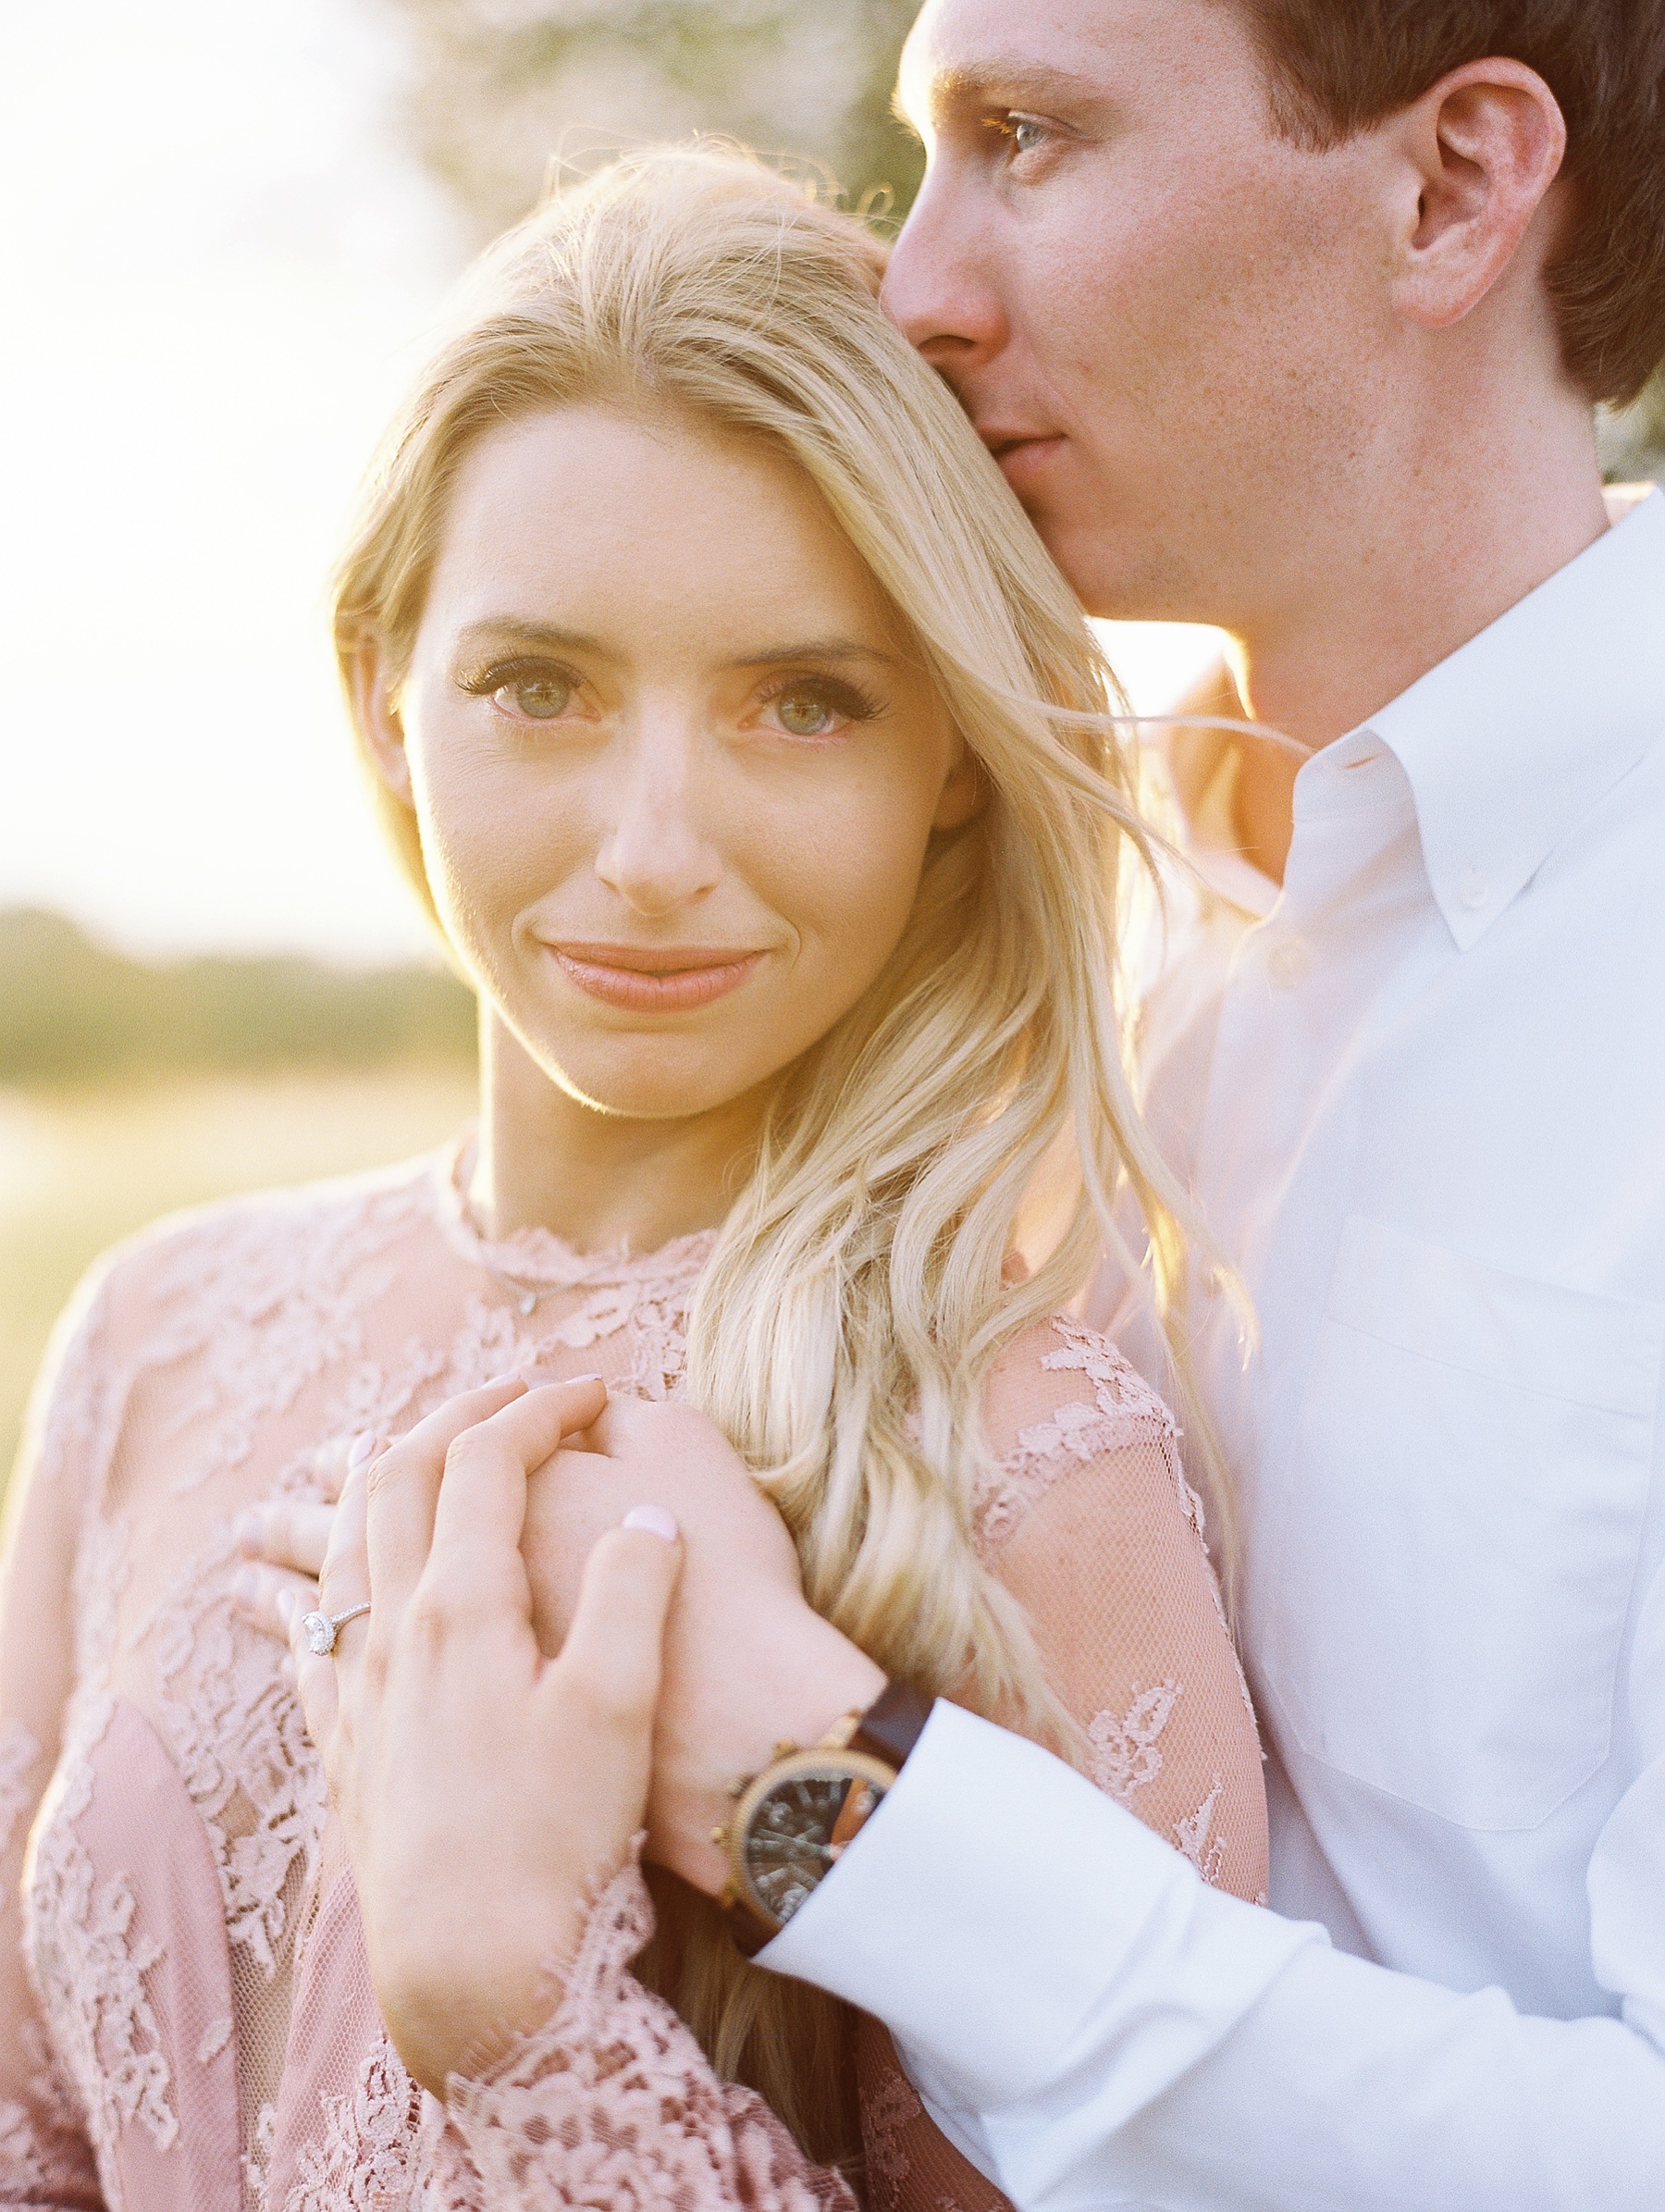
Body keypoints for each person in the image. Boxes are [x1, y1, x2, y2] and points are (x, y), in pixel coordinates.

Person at [272, 1, 1665, 2207]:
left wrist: (806, 1784)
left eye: (1026, 137)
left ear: (1450, 187)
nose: (914, 282)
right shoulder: (1121, 940)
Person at [0, 150, 1268, 2208]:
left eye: (801, 702)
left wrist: (532, 2022)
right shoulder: (158, 1325)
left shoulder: (1026, 1453)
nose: (655, 842)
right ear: (381, 702)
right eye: (538, 686)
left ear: (949, 765)